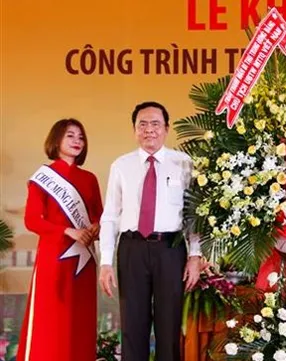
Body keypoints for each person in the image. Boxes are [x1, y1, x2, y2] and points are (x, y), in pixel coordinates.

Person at [98, 101, 202, 361]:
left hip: (170, 249)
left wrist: (195, 256)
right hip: (132, 248)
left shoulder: (184, 163)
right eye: (142, 124)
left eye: (155, 124)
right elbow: (110, 216)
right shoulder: (121, 166)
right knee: (133, 325)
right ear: (134, 130)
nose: (149, 130)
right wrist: (106, 262)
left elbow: (195, 215)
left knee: (169, 325)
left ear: (166, 129)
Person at [17, 119, 103, 361]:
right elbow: (32, 220)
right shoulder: (42, 178)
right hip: (53, 257)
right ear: (56, 140)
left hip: (84, 260)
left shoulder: (89, 178)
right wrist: (68, 231)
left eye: (81, 137)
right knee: (51, 318)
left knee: (80, 317)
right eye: (70, 136)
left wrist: (96, 226)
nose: (77, 141)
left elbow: (99, 213)